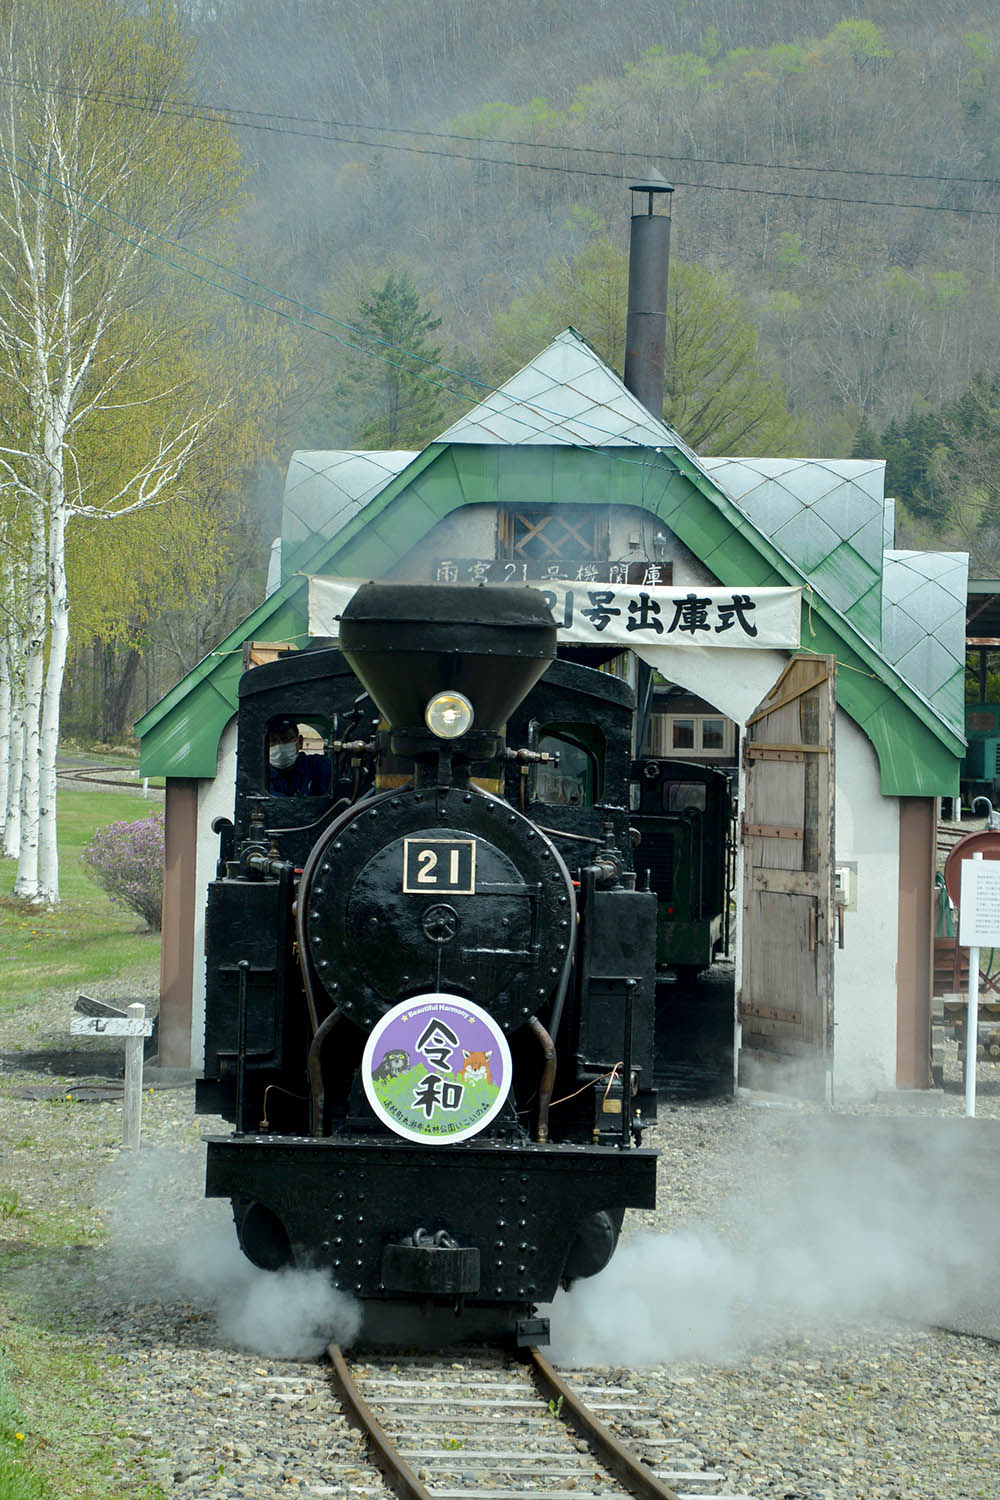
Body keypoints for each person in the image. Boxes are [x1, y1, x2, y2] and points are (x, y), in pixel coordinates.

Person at [268, 717, 332, 796]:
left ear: (300, 742)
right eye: (272, 741)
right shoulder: (261, 774)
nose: (279, 746)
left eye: (286, 739)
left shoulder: (318, 765)